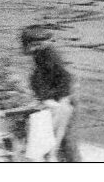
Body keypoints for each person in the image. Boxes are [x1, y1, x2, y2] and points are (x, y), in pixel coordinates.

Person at [22, 27, 80, 162]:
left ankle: (54, 155)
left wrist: (62, 100)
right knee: (59, 133)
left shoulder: (50, 55)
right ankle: (50, 154)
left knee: (67, 138)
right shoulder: (41, 56)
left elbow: (64, 78)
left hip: (64, 95)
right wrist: (46, 98)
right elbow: (40, 78)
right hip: (55, 95)